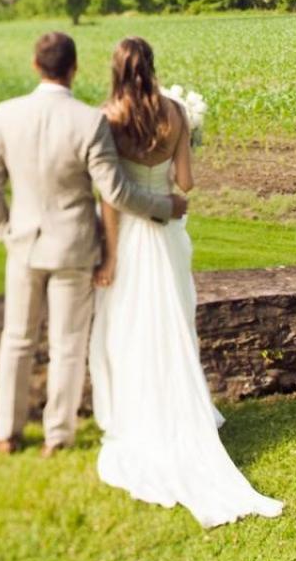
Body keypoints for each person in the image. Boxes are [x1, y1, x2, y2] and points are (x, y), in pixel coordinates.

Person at [88, 36, 284, 527]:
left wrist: (108, 256)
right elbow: (187, 184)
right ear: (151, 66)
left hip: (130, 237)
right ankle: (182, 410)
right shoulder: (175, 112)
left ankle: (139, 418)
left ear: (116, 71)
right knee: (174, 322)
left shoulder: (107, 118)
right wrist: (185, 145)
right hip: (169, 234)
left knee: (130, 329)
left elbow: (111, 199)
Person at [0, 31, 188, 457]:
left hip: (22, 245)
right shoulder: (88, 120)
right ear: (73, 69)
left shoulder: (5, 114)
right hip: (73, 248)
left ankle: (6, 432)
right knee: (67, 345)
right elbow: (115, 192)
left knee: (16, 338)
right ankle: (57, 435)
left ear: (36, 66)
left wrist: (5, 231)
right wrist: (165, 205)